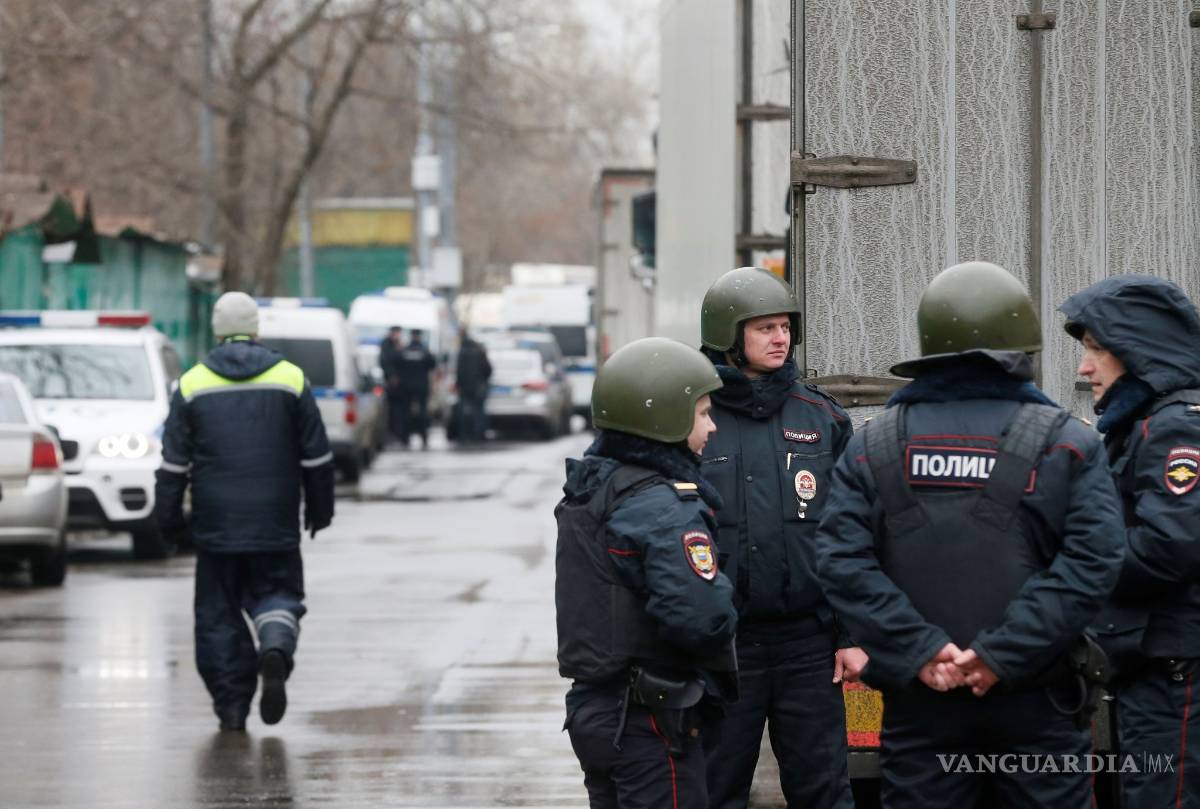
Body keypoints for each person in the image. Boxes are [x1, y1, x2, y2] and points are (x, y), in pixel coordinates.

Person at [815, 261, 1124, 808]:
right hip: (1039, 709)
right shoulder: (1066, 443)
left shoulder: (873, 446)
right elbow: (1092, 564)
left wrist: (923, 650)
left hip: (921, 707)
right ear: (1022, 348)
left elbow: (841, 562)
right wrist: (998, 655)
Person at [696, 266, 858, 809]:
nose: (780, 338)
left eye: (785, 326)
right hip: (726, 649)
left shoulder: (822, 418)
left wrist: (851, 634)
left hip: (807, 648)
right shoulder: (696, 418)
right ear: (728, 337)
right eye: (764, 327)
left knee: (824, 791)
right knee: (715, 790)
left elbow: (852, 535)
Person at [557, 337, 738, 809]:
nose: (712, 426)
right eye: (702, 413)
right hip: (650, 723)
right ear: (665, 419)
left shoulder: (595, 489)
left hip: (597, 711)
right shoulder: (661, 505)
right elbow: (702, 617)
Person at [154, 291, 335, 732]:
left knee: (218, 615)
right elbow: (316, 455)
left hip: (215, 525)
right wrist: (319, 509)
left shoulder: (192, 383)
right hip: (275, 520)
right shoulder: (291, 379)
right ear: (256, 329)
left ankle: (232, 707)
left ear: (217, 330)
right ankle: (274, 645)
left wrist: (169, 519)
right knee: (277, 593)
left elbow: (174, 463)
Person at [1060, 275, 1200, 809]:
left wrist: (1077, 555)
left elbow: (1170, 545)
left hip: (1175, 676)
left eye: (1096, 350)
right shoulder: (1145, 424)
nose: (1084, 366)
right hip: (1151, 670)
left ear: (1140, 353)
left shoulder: (1175, 429)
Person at [392, 329, 437, 449]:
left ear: (411, 337)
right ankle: (424, 438)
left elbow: (396, 363)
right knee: (422, 412)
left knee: (405, 413)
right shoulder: (425, 351)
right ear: (419, 337)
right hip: (422, 386)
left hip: (406, 387)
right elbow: (432, 364)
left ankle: (405, 438)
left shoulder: (403, 350)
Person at [454, 329, 492, 442]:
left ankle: (464, 435)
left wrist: (459, 385)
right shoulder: (480, 352)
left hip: (465, 388)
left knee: (464, 412)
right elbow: (488, 369)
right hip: (479, 386)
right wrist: (483, 380)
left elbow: (459, 372)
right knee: (479, 412)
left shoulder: (462, 353)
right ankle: (479, 434)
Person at [380, 326, 404, 443]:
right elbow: (385, 361)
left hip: (400, 385)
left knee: (398, 410)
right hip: (390, 383)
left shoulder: (399, 345)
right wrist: (391, 376)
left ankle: (397, 433)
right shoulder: (387, 345)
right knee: (391, 410)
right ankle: (391, 433)